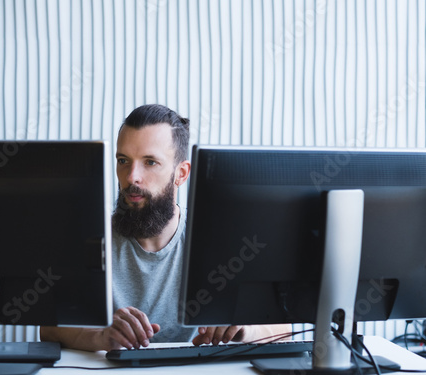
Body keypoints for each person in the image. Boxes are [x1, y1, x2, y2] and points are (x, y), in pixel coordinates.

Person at [40, 104, 291, 351]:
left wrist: (246, 331)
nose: (131, 177)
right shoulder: (89, 239)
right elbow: (49, 327)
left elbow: (284, 328)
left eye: (149, 162)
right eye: (123, 160)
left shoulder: (224, 240)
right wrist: (101, 336)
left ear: (180, 174)